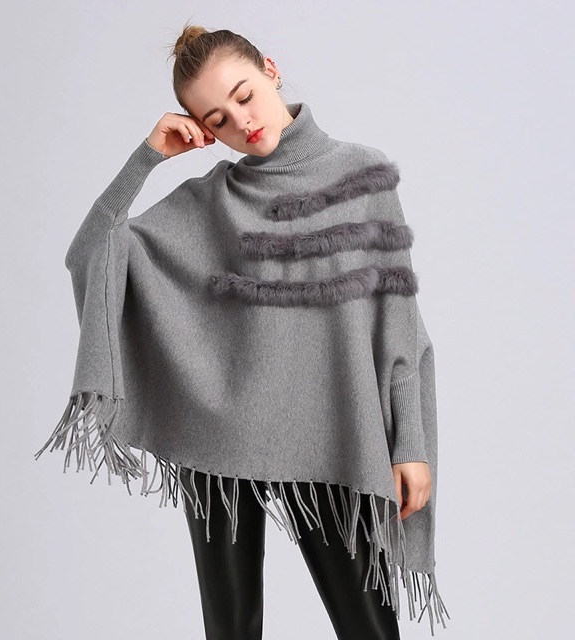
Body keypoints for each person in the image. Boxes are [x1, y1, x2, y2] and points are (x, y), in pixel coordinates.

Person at [35, 21, 449, 640]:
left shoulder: (359, 175)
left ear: (270, 70)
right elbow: (91, 255)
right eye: (218, 119)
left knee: (369, 628)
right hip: (221, 442)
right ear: (202, 129)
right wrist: (146, 157)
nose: (242, 122)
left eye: (244, 95)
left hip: (331, 430)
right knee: (232, 629)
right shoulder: (208, 202)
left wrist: (409, 444)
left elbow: (399, 324)